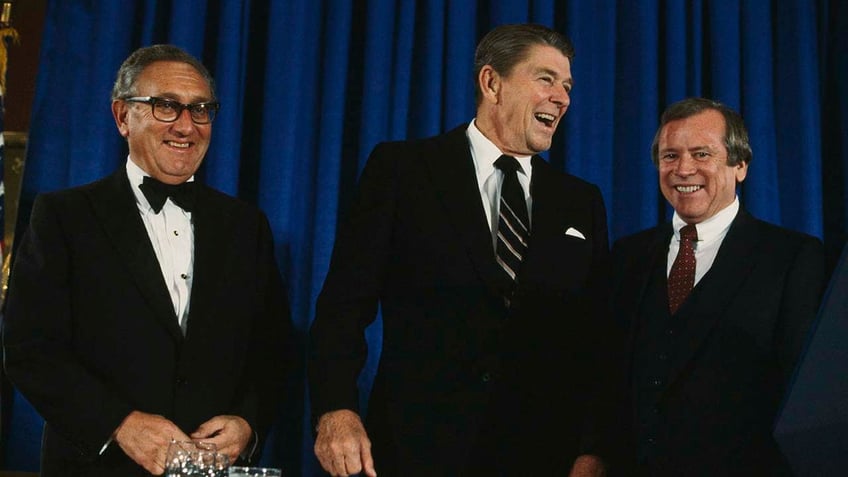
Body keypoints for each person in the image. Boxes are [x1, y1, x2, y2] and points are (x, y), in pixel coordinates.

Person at [309, 24, 616, 476]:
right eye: (546, 79)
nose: (562, 97)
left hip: (542, 454)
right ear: (492, 83)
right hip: (417, 450)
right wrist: (336, 410)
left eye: (567, 86)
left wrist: (593, 448)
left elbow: (597, 338)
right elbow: (343, 306)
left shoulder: (581, 200)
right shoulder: (402, 170)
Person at [2, 45, 296, 476]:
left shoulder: (245, 225)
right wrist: (118, 425)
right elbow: (30, 348)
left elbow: (272, 347)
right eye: (166, 107)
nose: (186, 126)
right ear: (123, 117)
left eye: (200, 110)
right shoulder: (65, 217)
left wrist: (247, 423)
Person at [612, 97, 825, 475]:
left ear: (740, 165)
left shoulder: (793, 258)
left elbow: (802, 394)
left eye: (701, 154)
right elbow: (607, 374)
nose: (683, 169)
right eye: (670, 156)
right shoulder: (628, 255)